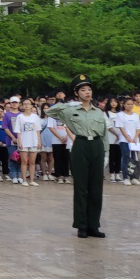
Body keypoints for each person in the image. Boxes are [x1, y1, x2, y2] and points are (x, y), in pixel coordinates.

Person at [46, 74, 108, 238]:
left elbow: (104, 133)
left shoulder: (98, 112)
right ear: (76, 93)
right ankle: (81, 225)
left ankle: (93, 225)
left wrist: (106, 153)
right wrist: (68, 104)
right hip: (80, 144)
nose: (87, 92)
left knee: (96, 187)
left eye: (89, 89)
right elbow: (49, 111)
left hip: (97, 145)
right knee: (81, 187)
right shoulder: (70, 110)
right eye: (83, 90)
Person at [12, 98, 42, 187]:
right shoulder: (20, 117)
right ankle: (24, 180)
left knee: (32, 162)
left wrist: (39, 141)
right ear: (22, 105)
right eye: (24, 104)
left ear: (31, 105)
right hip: (24, 141)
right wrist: (19, 141)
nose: (26, 105)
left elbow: (38, 130)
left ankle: (32, 180)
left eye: (28, 104)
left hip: (34, 141)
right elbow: (18, 130)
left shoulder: (35, 117)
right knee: (24, 161)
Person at [115, 97, 140, 186]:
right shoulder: (120, 115)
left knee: (134, 159)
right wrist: (128, 138)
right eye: (128, 104)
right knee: (126, 158)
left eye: (131, 104)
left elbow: (138, 128)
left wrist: (135, 138)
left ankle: (134, 177)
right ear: (124, 105)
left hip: (134, 141)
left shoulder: (135, 115)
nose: (130, 106)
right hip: (124, 140)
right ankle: (125, 177)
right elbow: (121, 127)